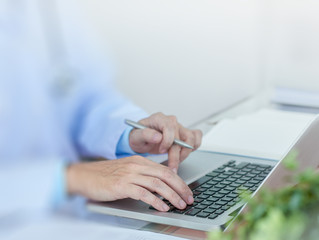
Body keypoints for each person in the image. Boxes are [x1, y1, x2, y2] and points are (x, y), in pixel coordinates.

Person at [0, 0, 202, 213]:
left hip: (72, 211)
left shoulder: (49, 7)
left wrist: (129, 134)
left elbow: (85, 95)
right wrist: (70, 178)